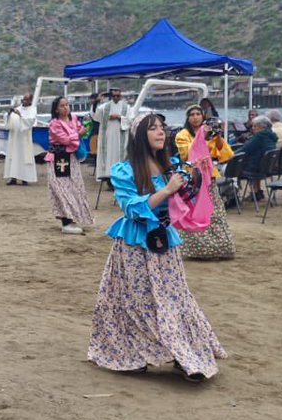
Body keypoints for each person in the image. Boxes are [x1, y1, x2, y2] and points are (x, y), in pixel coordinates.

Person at [87, 113, 226, 382]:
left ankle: (183, 357)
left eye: (162, 128)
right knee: (136, 303)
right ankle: (134, 355)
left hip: (165, 244)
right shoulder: (124, 170)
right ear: (140, 137)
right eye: (153, 129)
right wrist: (166, 190)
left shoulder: (172, 166)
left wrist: (198, 168)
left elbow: (189, 194)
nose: (161, 133)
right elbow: (132, 208)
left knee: (174, 301)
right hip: (135, 246)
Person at [174, 104, 236, 259]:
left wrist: (219, 136)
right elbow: (188, 154)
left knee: (215, 212)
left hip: (209, 177)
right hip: (192, 178)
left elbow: (226, 154)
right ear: (188, 118)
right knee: (193, 213)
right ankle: (197, 251)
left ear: (203, 116)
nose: (195, 117)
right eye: (192, 114)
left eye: (198, 114)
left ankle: (221, 247)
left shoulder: (211, 134)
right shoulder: (182, 135)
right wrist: (203, 136)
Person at [47, 96, 95, 234]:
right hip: (58, 158)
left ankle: (75, 218)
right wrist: (78, 134)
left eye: (67, 104)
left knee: (75, 187)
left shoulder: (74, 118)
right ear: (56, 109)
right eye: (62, 105)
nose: (66, 107)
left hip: (72, 158)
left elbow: (82, 131)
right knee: (62, 189)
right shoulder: (54, 124)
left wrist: (85, 129)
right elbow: (65, 139)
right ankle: (66, 221)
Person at [91, 88, 130, 181]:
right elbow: (95, 115)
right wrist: (96, 101)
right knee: (107, 156)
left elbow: (130, 120)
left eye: (118, 96)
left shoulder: (126, 107)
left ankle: (120, 177)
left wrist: (119, 117)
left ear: (121, 96)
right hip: (107, 138)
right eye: (114, 96)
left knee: (120, 156)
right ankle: (108, 177)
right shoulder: (104, 107)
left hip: (121, 138)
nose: (116, 97)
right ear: (111, 96)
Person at [239, 115, 278, 201]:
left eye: (254, 126)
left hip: (255, 168)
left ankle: (233, 196)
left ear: (261, 127)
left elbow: (245, 149)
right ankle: (257, 192)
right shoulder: (271, 136)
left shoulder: (259, 137)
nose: (252, 128)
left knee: (231, 168)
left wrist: (230, 155)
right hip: (267, 167)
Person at [3, 93, 38, 186]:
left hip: (24, 139)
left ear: (30, 100)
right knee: (13, 156)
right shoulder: (18, 108)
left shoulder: (32, 110)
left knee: (24, 158)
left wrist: (20, 115)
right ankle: (13, 178)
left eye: (27, 99)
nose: (24, 101)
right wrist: (9, 114)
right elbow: (8, 121)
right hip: (14, 138)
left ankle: (25, 178)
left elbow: (30, 121)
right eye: (23, 99)